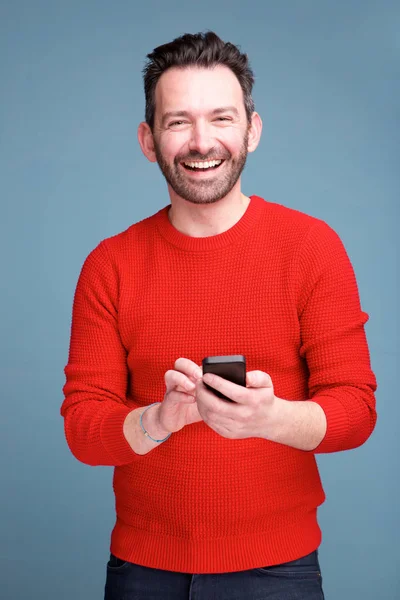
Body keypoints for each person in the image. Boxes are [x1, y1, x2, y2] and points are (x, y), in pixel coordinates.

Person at [61, 31, 377, 600]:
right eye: (177, 121)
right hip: (142, 572)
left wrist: (268, 418)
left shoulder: (312, 247)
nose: (201, 142)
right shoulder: (109, 265)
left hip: (280, 571)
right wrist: (158, 421)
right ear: (148, 139)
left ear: (252, 131)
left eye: (221, 118)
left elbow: (356, 410)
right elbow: (83, 429)